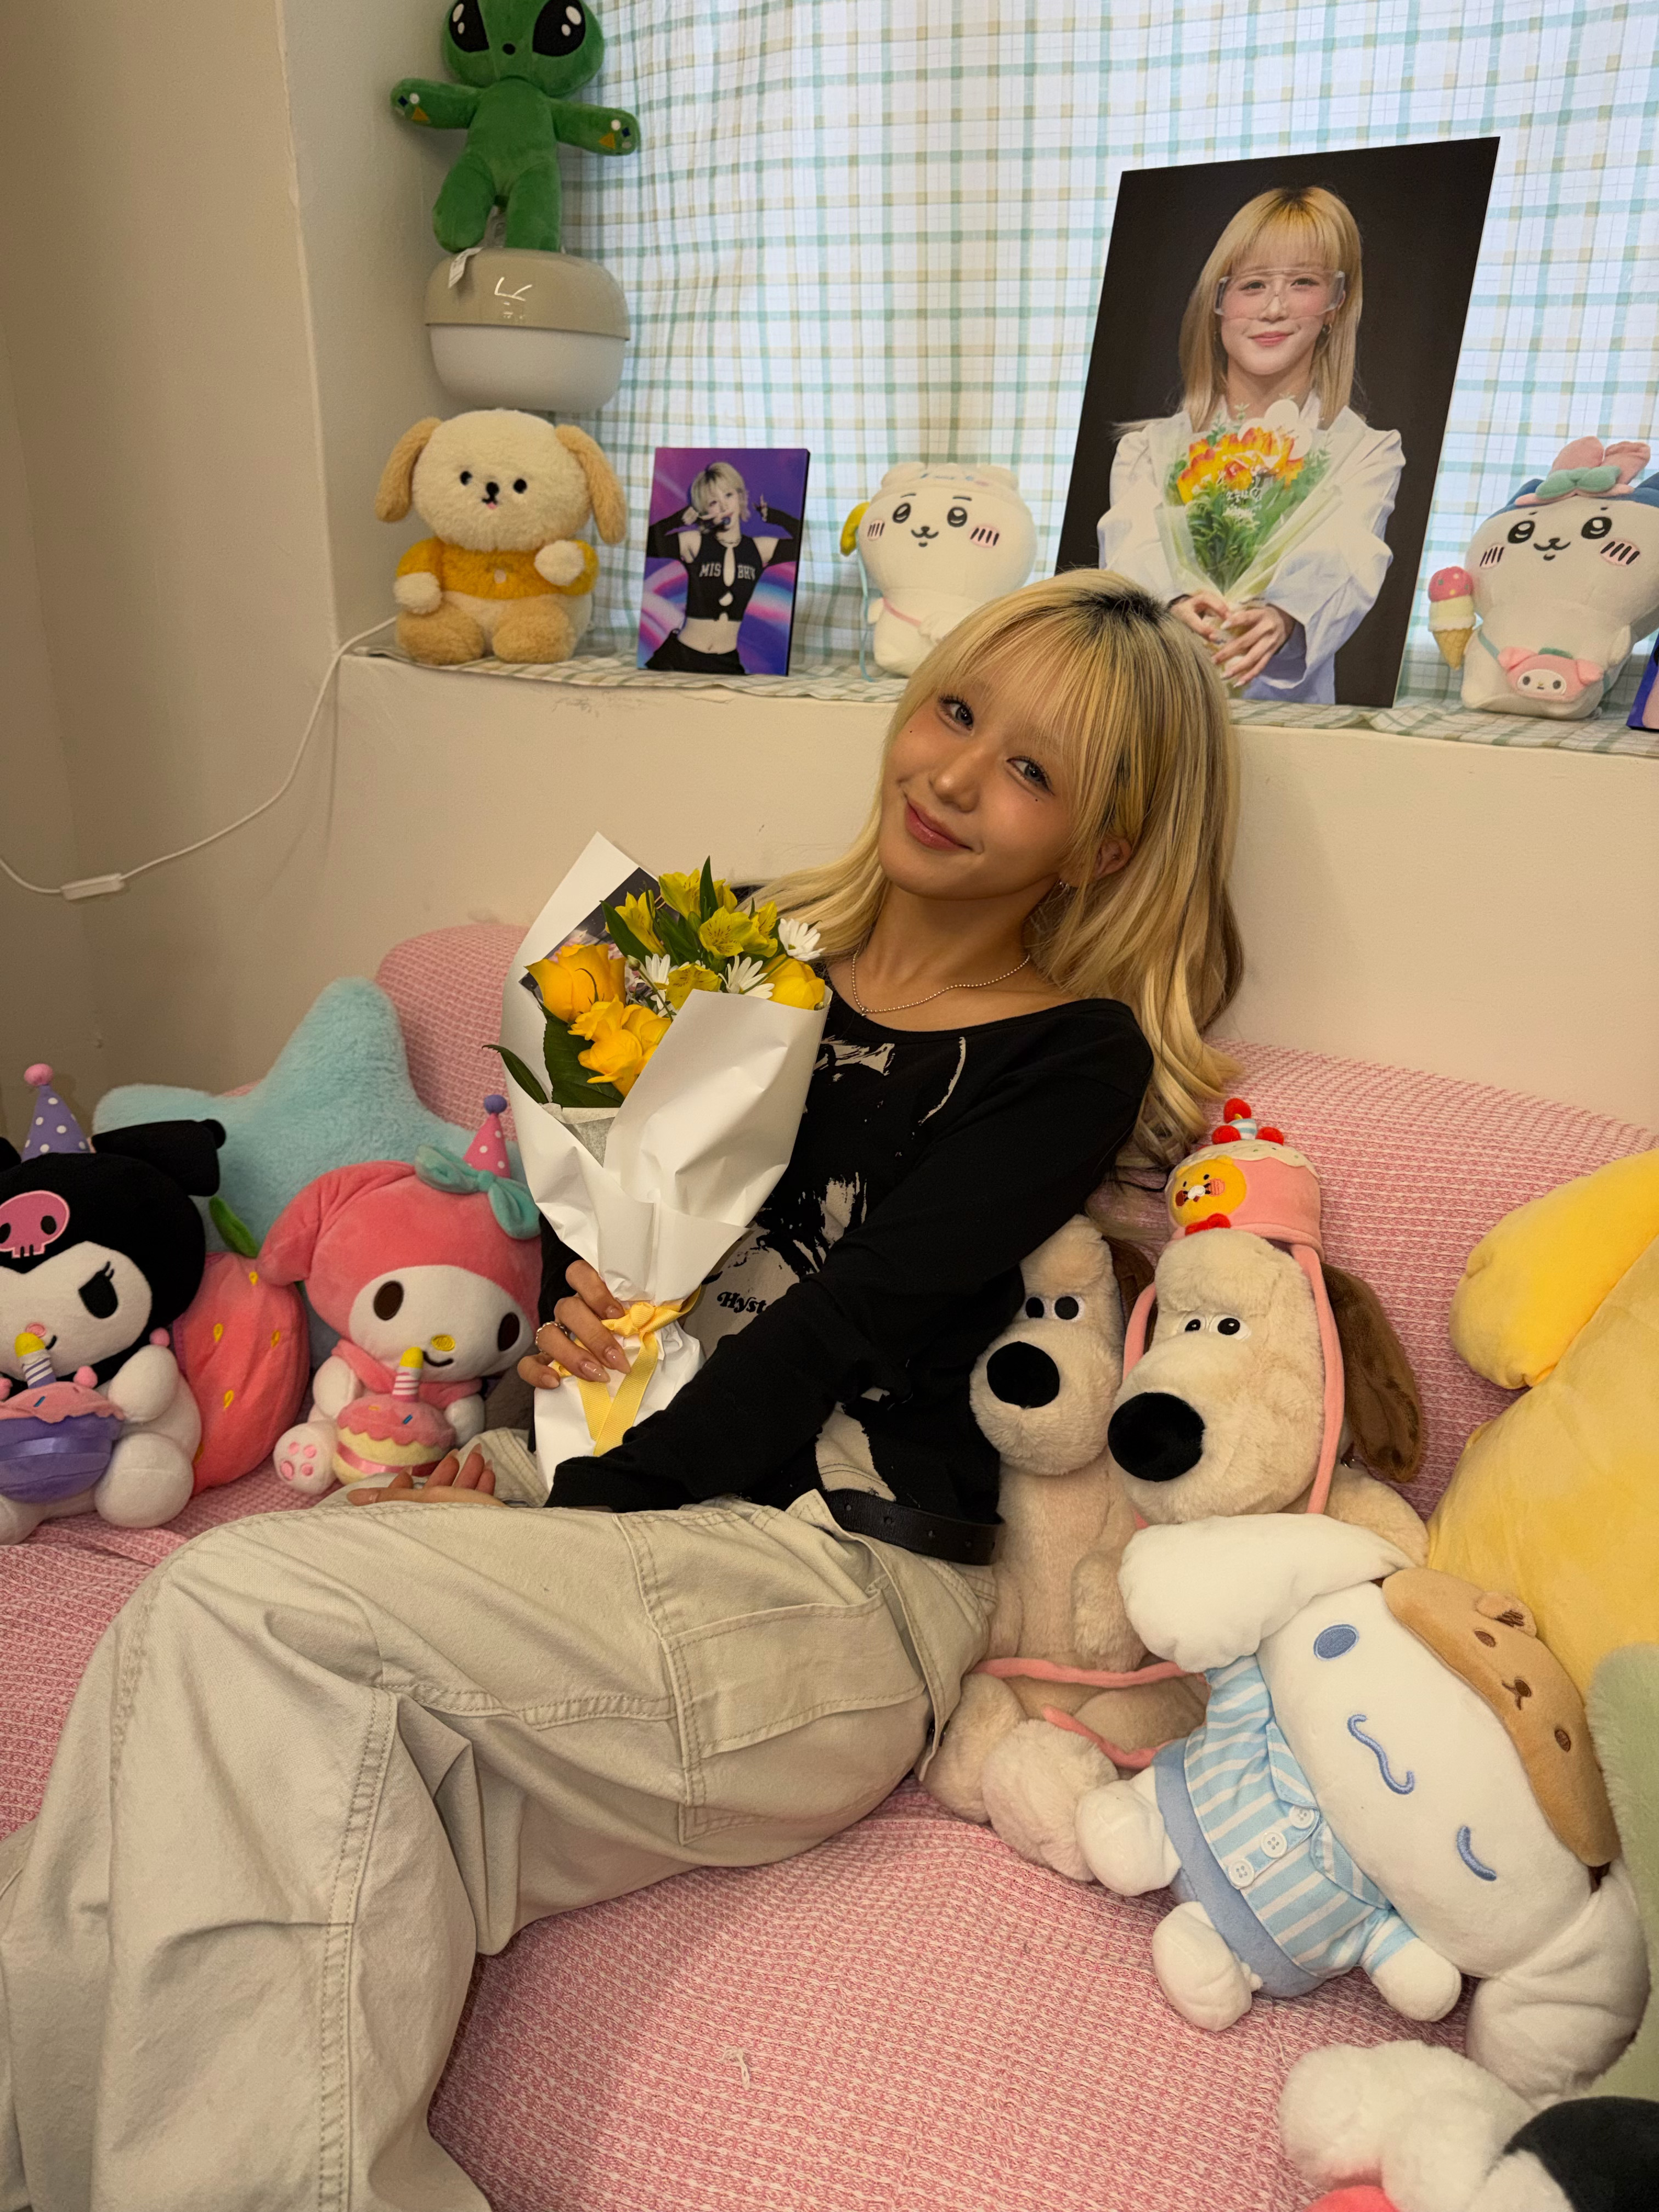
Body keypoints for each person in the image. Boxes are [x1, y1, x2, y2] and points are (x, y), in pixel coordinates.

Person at [0, 572, 1242, 2212]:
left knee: (242, 1610)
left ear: (1098, 848)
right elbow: (614, 1267)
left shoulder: (1067, 1055)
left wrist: (556, 1502)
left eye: (1030, 771)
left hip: (833, 1584)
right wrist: (571, 1340)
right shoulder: (737, 949)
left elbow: (850, 1317)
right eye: (955, 711)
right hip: (622, 1528)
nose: (953, 774)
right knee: (201, 1731)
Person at [1098, 184, 1404, 704]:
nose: (1274, 309)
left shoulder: (1366, 453)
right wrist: (1171, 604)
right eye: (1253, 285)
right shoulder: (1149, 450)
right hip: (1163, 702)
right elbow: (1131, 549)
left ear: (1336, 304)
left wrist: (1284, 614)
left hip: (1286, 720)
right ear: (1217, 304)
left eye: (1303, 283)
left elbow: (1350, 555)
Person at [642, 460, 802, 675]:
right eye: (713, 502)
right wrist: (677, 521)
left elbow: (802, 544)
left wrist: (776, 517)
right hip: (680, 657)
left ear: (740, 498)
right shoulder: (694, 542)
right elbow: (647, 544)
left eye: (729, 495)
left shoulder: (759, 549)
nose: (724, 507)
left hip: (726, 662)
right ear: (703, 510)